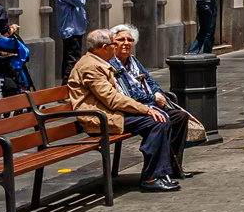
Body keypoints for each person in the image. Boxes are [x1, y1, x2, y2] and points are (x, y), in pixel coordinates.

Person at [68, 29, 181, 192]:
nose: (116, 47)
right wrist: (146, 110)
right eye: (114, 43)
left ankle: (163, 172)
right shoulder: (90, 66)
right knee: (156, 122)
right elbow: (112, 99)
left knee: (165, 118)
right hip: (99, 118)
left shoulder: (98, 62)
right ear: (103, 47)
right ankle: (151, 177)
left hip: (110, 113)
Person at [107, 24, 191, 178]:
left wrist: (158, 93)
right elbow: (124, 93)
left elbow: (151, 82)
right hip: (129, 110)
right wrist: (152, 98)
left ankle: (173, 167)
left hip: (149, 105)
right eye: (121, 40)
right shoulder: (110, 65)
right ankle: (153, 174)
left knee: (180, 117)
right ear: (113, 42)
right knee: (159, 121)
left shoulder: (133, 61)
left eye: (129, 40)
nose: (126, 43)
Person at [54, 0, 89, 81]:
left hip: (75, 28)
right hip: (71, 29)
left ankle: (66, 89)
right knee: (72, 60)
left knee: (71, 58)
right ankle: (67, 88)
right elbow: (80, 1)